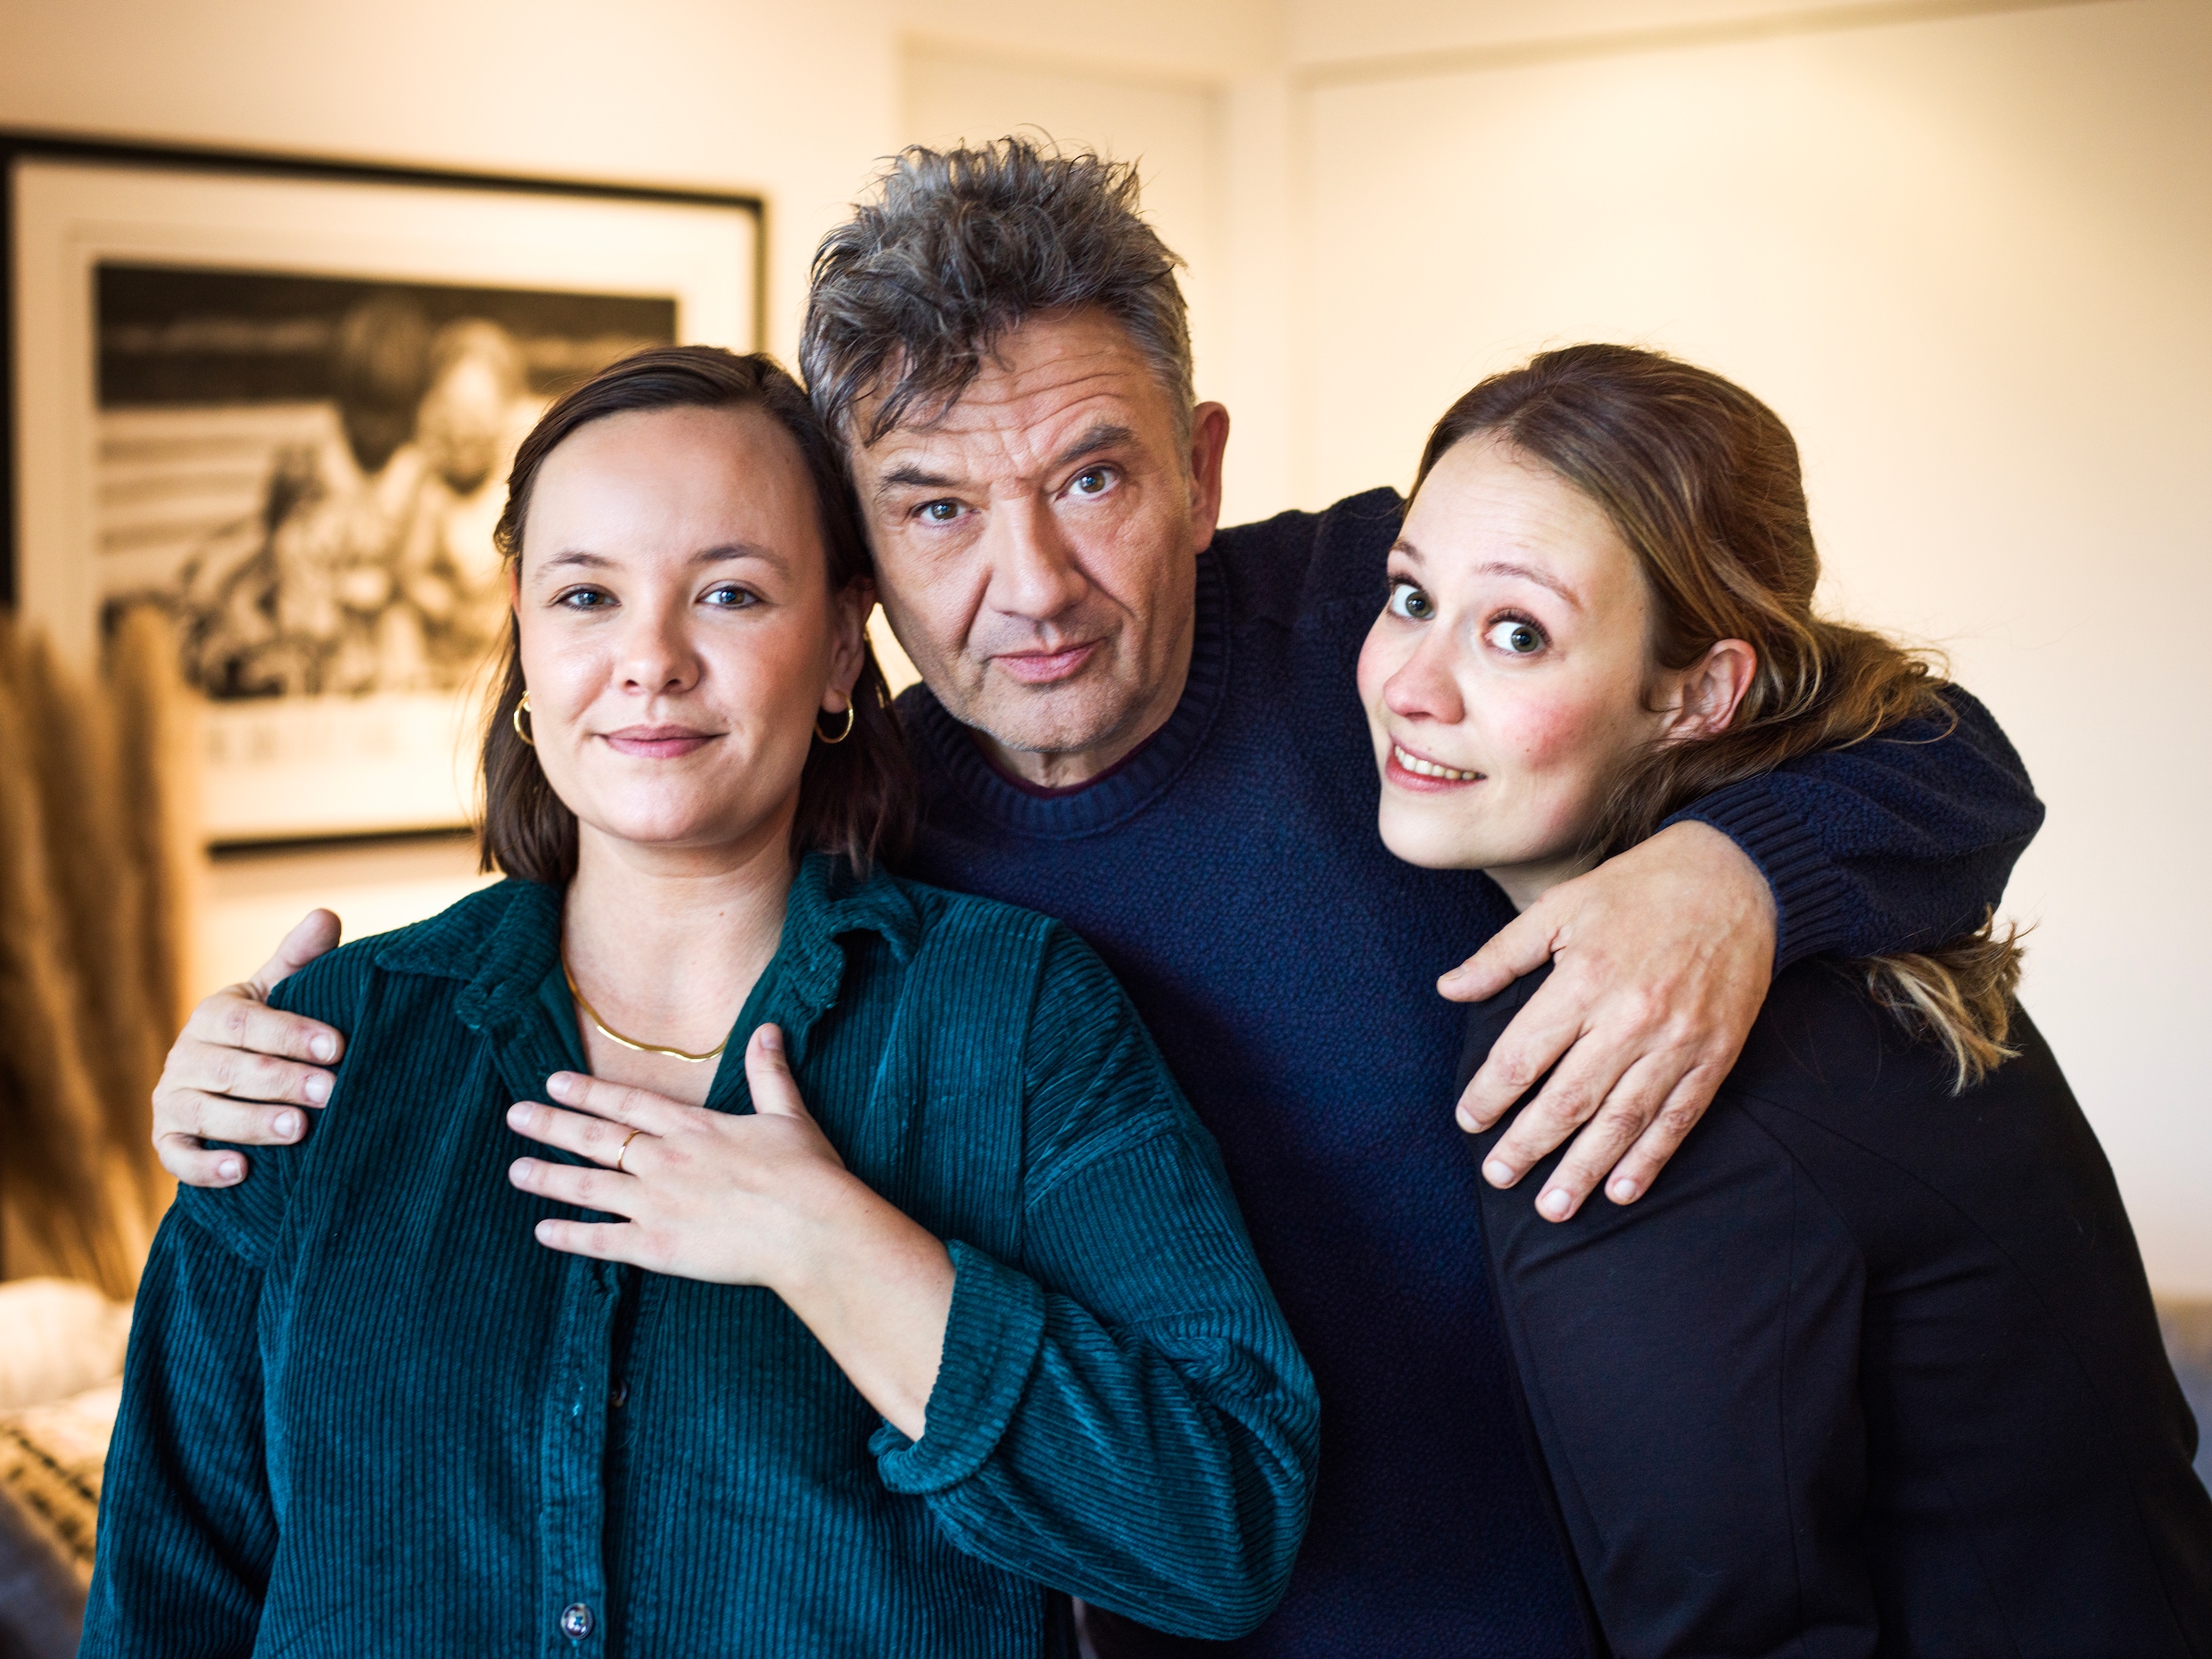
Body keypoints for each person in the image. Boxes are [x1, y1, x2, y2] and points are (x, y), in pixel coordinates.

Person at [148, 143, 2049, 1655]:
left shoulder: (1385, 639)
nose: (1032, 584)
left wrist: (1733, 873)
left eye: (1092, 478)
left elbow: (1943, 754)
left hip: (1630, 1595)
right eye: (937, 509)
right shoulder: (882, 870)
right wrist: (258, 1069)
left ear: (1201, 470)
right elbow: (634, 843)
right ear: (862, 573)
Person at [86, 348, 1318, 1656]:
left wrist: (835, 1250)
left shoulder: (1007, 1016)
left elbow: (1224, 1530)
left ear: (841, 643)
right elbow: (166, 1602)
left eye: (728, 593)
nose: (651, 661)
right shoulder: (321, 1051)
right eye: (586, 596)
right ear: (524, 636)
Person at [1363, 343, 2212, 1653]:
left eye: (1516, 633)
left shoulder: (1644, 1043)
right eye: (1411, 598)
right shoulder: (1846, 933)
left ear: (1700, 693)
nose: (1413, 687)